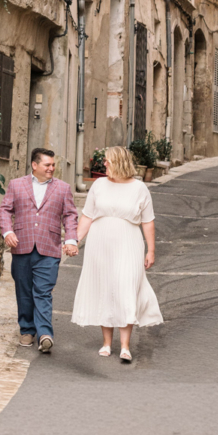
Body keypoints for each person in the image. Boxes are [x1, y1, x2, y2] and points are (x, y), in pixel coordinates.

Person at [70, 143, 162, 362]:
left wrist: (151, 250)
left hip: (129, 243)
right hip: (99, 244)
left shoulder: (139, 188)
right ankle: (106, 343)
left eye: (107, 161)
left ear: (118, 163)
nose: (104, 165)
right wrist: (74, 240)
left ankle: (125, 346)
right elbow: (87, 216)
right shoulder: (99, 185)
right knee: (106, 288)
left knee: (126, 288)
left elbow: (148, 222)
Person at [0, 147, 79, 353]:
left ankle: (45, 334)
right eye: (47, 165)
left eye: (53, 165)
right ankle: (27, 330)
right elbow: (5, 210)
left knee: (43, 292)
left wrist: (71, 239)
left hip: (49, 248)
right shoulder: (16, 185)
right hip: (21, 245)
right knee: (24, 292)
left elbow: (70, 215)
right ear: (35, 165)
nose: (52, 168)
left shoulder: (63, 188)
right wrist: (7, 232)